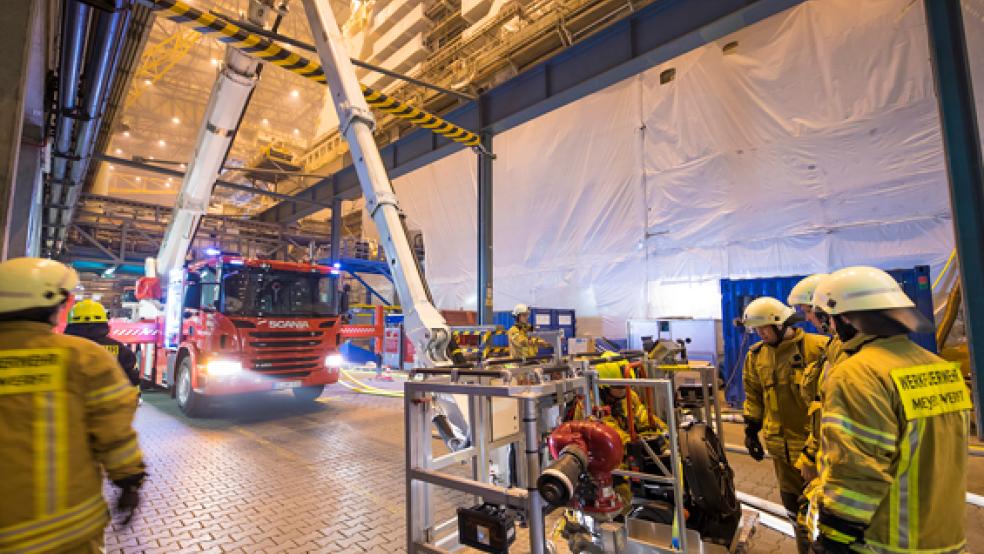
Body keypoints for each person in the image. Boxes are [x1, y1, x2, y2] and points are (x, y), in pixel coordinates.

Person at [809, 267, 968, 553]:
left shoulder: (857, 374)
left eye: (830, 319)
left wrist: (836, 536)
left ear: (847, 318)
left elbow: (857, 468)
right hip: (947, 539)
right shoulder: (942, 369)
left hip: (887, 541)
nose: (829, 328)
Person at [0, 258, 146, 553]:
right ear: (53, 304)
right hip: (68, 528)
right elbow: (114, 430)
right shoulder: (82, 357)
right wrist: (129, 480)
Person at [741, 296, 826, 554]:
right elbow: (754, 395)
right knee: (794, 512)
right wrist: (751, 429)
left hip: (815, 453)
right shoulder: (756, 356)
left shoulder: (818, 348)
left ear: (781, 324)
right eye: (756, 329)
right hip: (782, 453)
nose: (760, 334)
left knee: (823, 516)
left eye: (764, 328)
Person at [787, 274, 834, 483]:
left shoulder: (844, 357)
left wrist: (811, 455)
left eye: (808, 312)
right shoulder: (836, 350)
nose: (807, 319)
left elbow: (824, 411)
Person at [64, 299, 139, 388]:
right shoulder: (121, 350)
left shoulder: (61, 347)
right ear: (104, 321)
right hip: (110, 400)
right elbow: (133, 380)